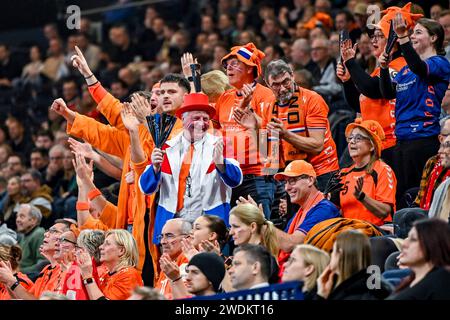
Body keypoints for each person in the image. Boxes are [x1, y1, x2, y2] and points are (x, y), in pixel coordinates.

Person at [138, 92, 243, 244]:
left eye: (205, 119)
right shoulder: (166, 147)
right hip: (173, 224)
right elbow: (146, 188)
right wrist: (154, 168)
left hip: (209, 224)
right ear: (183, 119)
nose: (201, 123)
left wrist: (220, 163)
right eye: (196, 118)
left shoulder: (220, 144)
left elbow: (236, 180)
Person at [379, 15, 450, 204]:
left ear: (434, 38)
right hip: (401, 141)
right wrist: (384, 69)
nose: (412, 36)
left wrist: (402, 38)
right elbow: (387, 93)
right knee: (403, 197)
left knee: (421, 196)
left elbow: (420, 67)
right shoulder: (405, 70)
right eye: (412, 33)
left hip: (423, 140)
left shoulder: (440, 63)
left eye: (418, 32)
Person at [337, 4, 413, 168]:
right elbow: (358, 103)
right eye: (373, 36)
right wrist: (348, 81)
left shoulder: (400, 65)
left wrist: (351, 61)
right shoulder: (379, 69)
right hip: (376, 144)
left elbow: (372, 89)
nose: (373, 40)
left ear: (394, 41)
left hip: (391, 145)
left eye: (379, 36)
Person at [214, 42, 276, 219]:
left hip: (256, 177)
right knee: (234, 235)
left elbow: (275, 142)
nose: (228, 69)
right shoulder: (225, 97)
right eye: (227, 65)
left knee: (258, 232)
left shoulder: (267, 96)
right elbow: (217, 132)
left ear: (250, 68)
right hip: (229, 175)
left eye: (235, 64)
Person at [264, 59, 339, 190]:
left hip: (321, 173)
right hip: (290, 176)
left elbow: (317, 145)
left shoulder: (312, 99)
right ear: (267, 84)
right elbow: (267, 152)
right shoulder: (267, 105)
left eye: (285, 81)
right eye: (276, 85)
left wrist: (286, 135)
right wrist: (253, 127)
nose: (282, 89)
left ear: (292, 76)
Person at [273, 160, 340, 270]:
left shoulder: (324, 209)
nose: (287, 188)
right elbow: (280, 244)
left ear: (310, 180)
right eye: (286, 182)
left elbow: (290, 244)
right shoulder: (299, 213)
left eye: (292, 181)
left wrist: (262, 222)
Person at [338, 119, 397, 226]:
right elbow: (336, 209)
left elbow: (384, 211)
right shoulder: (343, 173)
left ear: (372, 146)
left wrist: (362, 197)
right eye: (350, 138)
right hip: (348, 230)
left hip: (376, 232)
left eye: (358, 138)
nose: (352, 141)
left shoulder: (382, 170)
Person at [0, 219, 74, 299]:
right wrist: (9, 282)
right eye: (48, 231)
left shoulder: (68, 271)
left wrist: (11, 281)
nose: (46, 234)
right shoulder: (46, 269)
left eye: (54, 231)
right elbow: (26, 298)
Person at [315, 230, 392, 300]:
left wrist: (320, 297)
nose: (330, 255)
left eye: (333, 251)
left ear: (340, 255)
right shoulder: (371, 285)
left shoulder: (355, 294)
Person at [388, 219, 450, 300]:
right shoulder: (411, 280)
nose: (404, 244)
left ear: (432, 244)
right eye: (407, 238)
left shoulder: (441, 280)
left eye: (413, 239)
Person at [76, 229, 143, 300]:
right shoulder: (105, 274)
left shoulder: (129, 275)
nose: (100, 247)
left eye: (107, 244)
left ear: (121, 251)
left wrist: (87, 276)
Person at [156, 218, 191, 299]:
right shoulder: (168, 262)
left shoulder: (190, 262)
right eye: (162, 236)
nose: (163, 241)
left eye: (169, 236)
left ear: (187, 238)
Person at [15, 204, 46, 274]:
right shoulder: (24, 234)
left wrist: (18, 272)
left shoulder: (39, 234)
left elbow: (42, 265)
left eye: (22, 216)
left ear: (33, 220)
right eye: (17, 216)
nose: (17, 220)